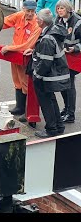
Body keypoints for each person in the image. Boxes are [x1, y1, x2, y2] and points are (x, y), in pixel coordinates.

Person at [24, 8, 69, 138]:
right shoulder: (54, 32)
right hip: (54, 75)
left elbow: (45, 62)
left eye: (37, 18)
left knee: (46, 102)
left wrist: (36, 75)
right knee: (51, 100)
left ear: (42, 22)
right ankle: (59, 126)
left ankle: (51, 129)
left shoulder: (47, 39)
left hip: (46, 77)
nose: (36, 20)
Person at [0, 0, 41, 121]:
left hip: (27, 57)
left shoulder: (36, 24)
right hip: (15, 55)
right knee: (17, 80)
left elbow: (28, 45)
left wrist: (9, 48)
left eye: (32, 11)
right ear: (23, 9)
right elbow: (4, 23)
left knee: (26, 83)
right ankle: (20, 107)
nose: (30, 14)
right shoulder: (19, 16)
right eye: (28, 11)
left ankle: (28, 111)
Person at [55, 0, 80, 124]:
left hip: (74, 58)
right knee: (62, 84)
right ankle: (66, 109)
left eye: (62, 8)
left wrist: (75, 48)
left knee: (69, 85)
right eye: (58, 8)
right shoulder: (58, 20)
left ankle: (71, 114)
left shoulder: (78, 22)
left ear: (68, 9)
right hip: (63, 57)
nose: (59, 10)